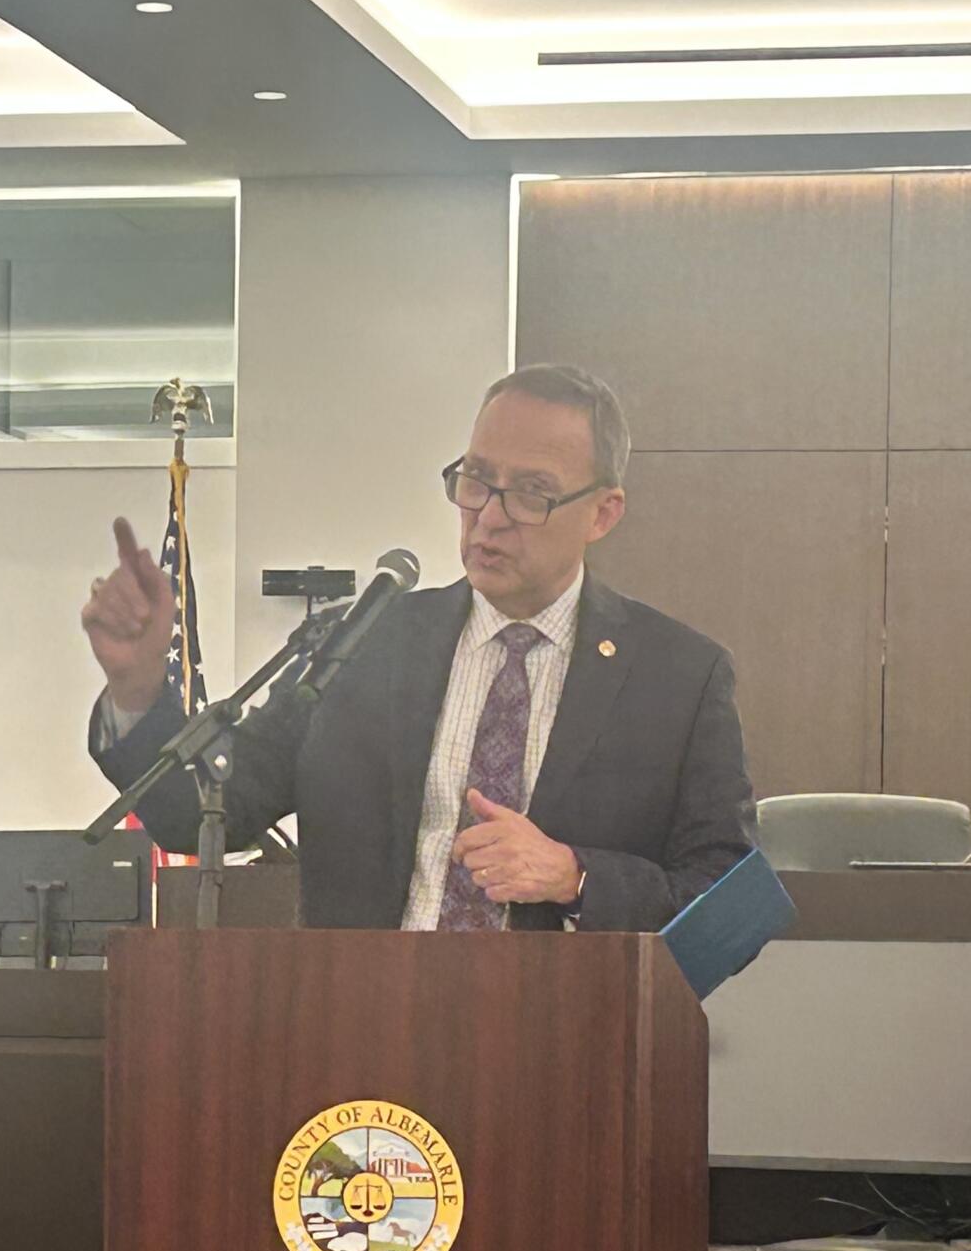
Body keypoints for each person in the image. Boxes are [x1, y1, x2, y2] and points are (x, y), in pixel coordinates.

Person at [82, 363, 754, 932]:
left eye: (532, 494)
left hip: (564, 1045)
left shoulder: (676, 679)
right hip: (368, 1037)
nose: (489, 516)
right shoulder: (367, 644)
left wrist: (576, 876)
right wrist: (138, 692)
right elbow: (199, 813)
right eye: (477, 480)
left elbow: (731, 908)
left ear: (603, 512)